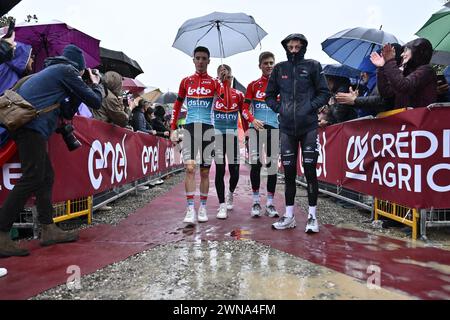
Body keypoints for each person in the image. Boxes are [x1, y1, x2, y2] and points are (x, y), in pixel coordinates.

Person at [0, 44, 104, 257]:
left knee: (46, 176)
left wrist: (77, 92)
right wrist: (96, 84)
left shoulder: (54, 72)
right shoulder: (65, 71)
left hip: (29, 128)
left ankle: (48, 229)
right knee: (32, 177)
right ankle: (1, 233)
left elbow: (66, 110)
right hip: (31, 128)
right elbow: (96, 100)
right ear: (80, 66)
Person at [266, 34, 330, 232]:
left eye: (297, 47)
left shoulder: (313, 65)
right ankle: (289, 216)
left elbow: (324, 93)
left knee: (310, 171)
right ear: (286, 48)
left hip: (309, 127)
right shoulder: (279, 69)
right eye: (290, 47)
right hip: (286, 128)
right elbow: (269, 95)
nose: (293, 50)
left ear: (303, 47)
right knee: (289, 173)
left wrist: (310, 107)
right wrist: (280, 109)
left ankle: (312, 217)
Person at [170, 46, 231, 226]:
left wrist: (225, 81)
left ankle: (203, 207)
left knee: (204, 171)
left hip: (208, 128)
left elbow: (226, 102)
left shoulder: (215, 82)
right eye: (198, 58)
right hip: (189, 128)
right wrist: (173, 127)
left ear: (209, 61)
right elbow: (177, 105)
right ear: (193, 59)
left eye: (204, 58)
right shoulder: (186, 81)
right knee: (189, 168)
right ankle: (190, 208)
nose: (201, 61)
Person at [241, 51, 280, 218]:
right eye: (266, 63)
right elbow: (243, 109)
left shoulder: (280, 85)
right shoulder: (253, 85)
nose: (269, 66)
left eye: (271, 63)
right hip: (256, 129)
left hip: (274, 128)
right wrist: (252, 119)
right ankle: (256, 201)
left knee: (272, 167)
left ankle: (270, 204)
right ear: (260, 66)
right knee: (255, 165)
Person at [214, 64, 244, 220]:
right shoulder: (214, 92)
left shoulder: (238, 94)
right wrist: (220, 83)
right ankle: (222, 204)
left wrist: (247, 132)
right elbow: (221, 99)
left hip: (232, 136)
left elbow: (243, 113)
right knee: (220, 170)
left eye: (227, 74)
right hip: (217, 136)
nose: (224, 76)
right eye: (220, 74)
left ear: (232, 77)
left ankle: (230, 192)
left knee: (235, 171)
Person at [371, 39, 437, 109]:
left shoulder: (427, 70)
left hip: (419, 117)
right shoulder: (407, 70)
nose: (402, 54)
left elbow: (403, 86)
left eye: (405, 50)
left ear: (417, 52)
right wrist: (381, 68)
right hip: (403, 116)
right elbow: (386, 93)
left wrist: (390, 61)